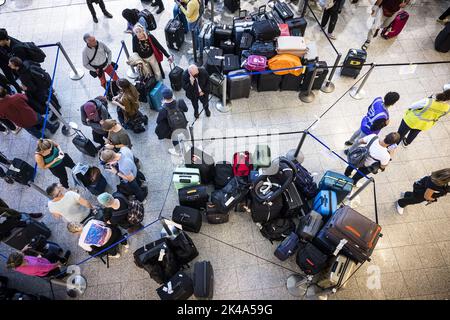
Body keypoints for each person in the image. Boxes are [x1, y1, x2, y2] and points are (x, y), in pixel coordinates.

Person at [155, 87, 188, 156]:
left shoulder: (163, 109)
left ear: (164, 98)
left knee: (174, 138)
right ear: (172, 95)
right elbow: (186, 109)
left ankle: (178, 151)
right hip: (183, 124)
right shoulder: (180, 101)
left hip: (173, 129)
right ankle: (186, 139)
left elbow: (158, 121)